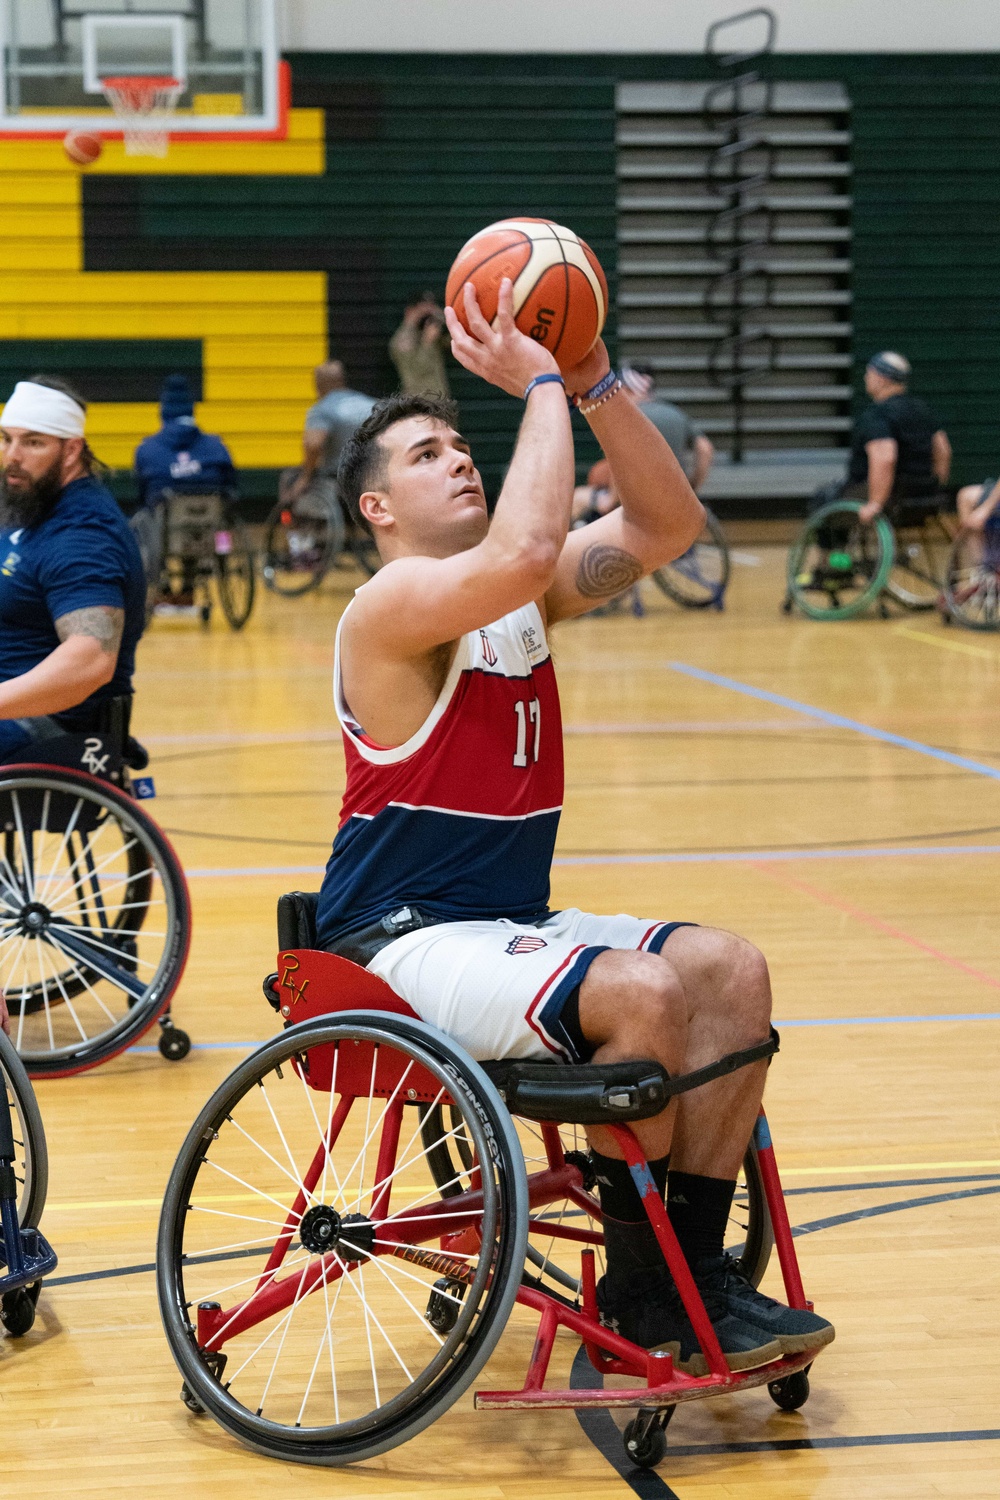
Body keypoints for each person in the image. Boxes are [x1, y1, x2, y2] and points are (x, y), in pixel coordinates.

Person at [313, 278, 834, 1373]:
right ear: (377, 509)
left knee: (731, 970)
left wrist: (593, 381)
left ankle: (688, 1283)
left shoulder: (520, 597)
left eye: (462, 442)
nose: (458, 457)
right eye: (426, 455)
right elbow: (515, 549)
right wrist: (541, 381)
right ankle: (650, 1301)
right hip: (394, 940)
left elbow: (666, 525)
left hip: (503, 921)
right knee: (641, 992)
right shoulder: (390, 605)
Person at [0, 378, 146, 763]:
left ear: (71, 450)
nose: (13, 455)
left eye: (33, 442)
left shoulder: (82, 536)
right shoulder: (33, 504)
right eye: (5, 439)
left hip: (45, 729)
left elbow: (90, 660)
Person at [821, 351, 951, 525]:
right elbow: (943, 451)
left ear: (881, 378)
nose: (866, 378)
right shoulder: (922, 410)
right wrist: (933, 489)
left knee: (824, 499)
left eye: (869, 373)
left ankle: (834, 552)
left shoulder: (877, 415)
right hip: (922, 498)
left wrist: (875, 503)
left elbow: (885, 458)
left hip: (889, 497)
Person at [133, 375, 237, 507]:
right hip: (212, 523)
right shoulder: (217, 447)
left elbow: (142, 496)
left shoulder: (146, 451)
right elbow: (232, 489)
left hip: (162, 526)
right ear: (192, 411)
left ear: (163, 413)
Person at [291, 361, 376, 500]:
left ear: (318, 384)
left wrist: (305, 477)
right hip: (373, 474)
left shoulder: (322, 410)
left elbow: (313, 445)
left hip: (338, 478)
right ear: (341, 380)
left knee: (291, 477)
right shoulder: (371, 404)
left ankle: (291, 520)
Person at [389, 295, 451, 397]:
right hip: (418, 402)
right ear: (409, 311)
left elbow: (453, 342)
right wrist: (427, 342)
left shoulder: (428, 334)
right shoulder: (402, 339)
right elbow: (419, 368)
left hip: (439, 400)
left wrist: (442, 316)